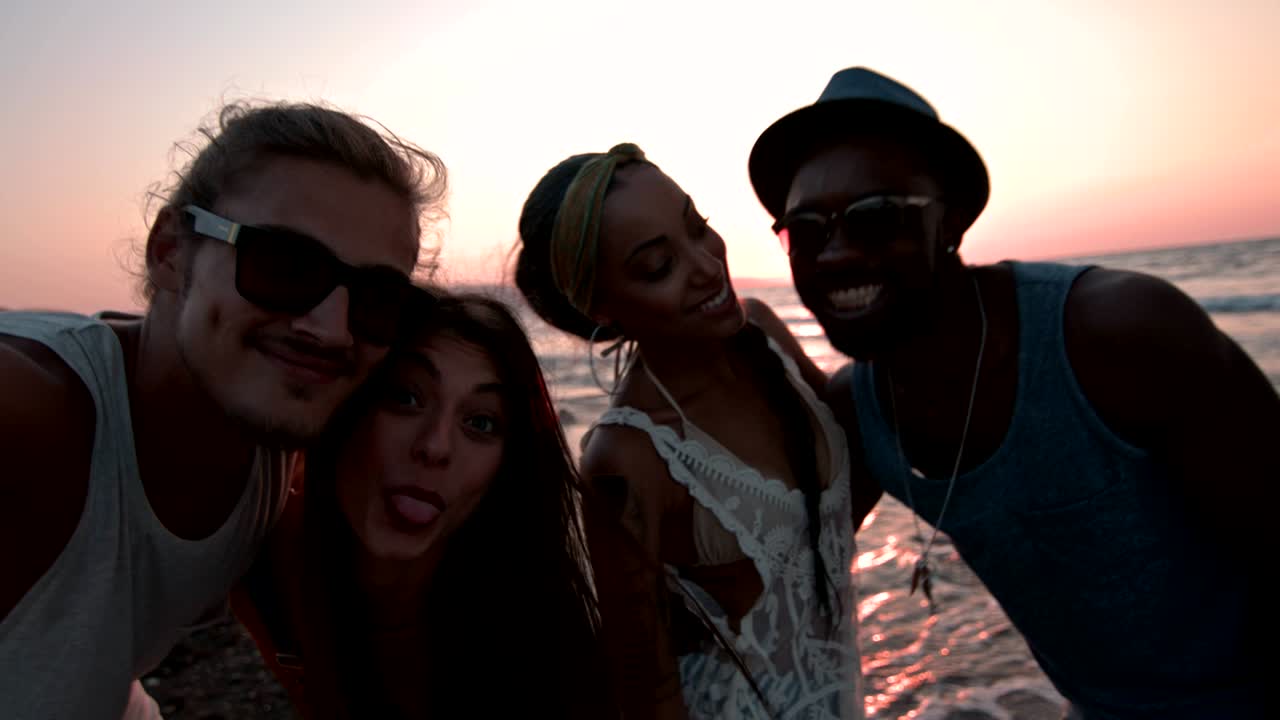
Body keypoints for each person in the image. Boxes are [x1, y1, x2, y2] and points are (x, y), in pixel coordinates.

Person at [749, 66, 1279, 719]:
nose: (835, 254)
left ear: (952, 221)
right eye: (807, 229)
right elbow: (783, 576)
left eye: (875, 217)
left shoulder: (1116, 335)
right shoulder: (863, 412)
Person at [0, 101, 447, 720]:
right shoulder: (32, 411)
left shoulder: (279, 449)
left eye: (378, 298)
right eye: (284, 265)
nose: (332, 329)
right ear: (170, 253)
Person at [514, 143, 878, 719]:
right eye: (659, 265)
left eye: (697, 227)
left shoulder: (761, 335)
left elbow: (841, 501)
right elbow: (648, 693)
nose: (707, 265)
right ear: (603, 307)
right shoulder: (627, 460)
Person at [233, 291, 615, 719]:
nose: (435, 447)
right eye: (406, 398)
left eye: (481, 422)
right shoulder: (252, 537)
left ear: (508, 468)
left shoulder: (533, 632)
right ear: (347, 405)